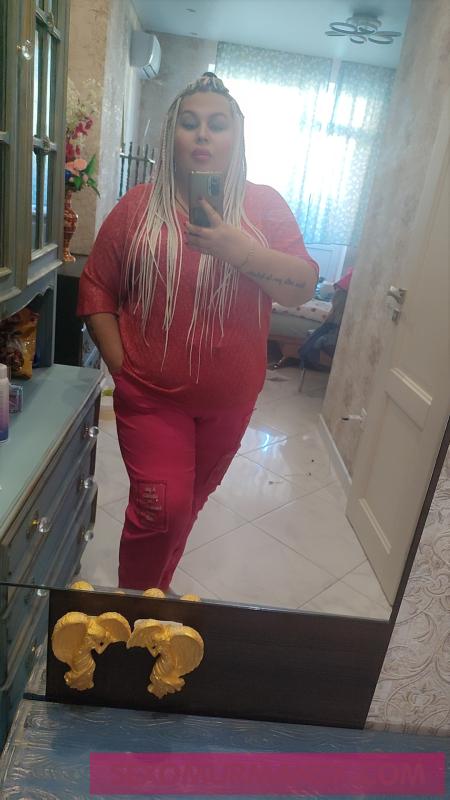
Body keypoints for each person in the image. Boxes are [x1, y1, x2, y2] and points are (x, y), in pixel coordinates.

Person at [77, 73, 318, 592]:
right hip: (151, 397)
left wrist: (239, 250)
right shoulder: (138, 207)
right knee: (161, 509)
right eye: (190, 123)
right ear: (173, 136)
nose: (203, 134)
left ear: (237, 137)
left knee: (187, 505)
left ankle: (153, 597)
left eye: (217, 124)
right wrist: (124, 370)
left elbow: (301, 287)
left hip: (230, 401)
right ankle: (135, 612)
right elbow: (97, 288)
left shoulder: (264, 206)